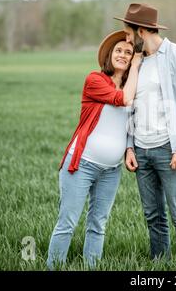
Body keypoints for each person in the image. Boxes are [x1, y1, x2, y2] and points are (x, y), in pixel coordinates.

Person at [46, 30, 142, 269]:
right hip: (82, 164)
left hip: (111, 170)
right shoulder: (95, 80)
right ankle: (54, 266)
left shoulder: (132, 87)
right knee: (67, 223)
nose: (122, 55)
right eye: (118, 51)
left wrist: (129, 149)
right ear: (109, 56)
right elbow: (124, 100)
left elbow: (129, 125)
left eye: (128, 52)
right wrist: (139, 61)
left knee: (98, 225)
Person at [115, 3, 176, 260]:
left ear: (141, 31)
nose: (127, 40)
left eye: (129, 34)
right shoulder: (137, 63)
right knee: (153, 216)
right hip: (141, 151)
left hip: (169, 149)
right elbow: (131, 107)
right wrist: (129, 146)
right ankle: (159, 267)